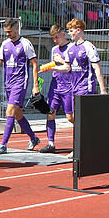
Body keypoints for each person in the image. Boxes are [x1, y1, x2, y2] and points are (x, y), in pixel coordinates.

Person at [0, 18, 41, 154]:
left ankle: (3, 144)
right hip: (8, 83)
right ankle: (34, 138)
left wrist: (35, 85)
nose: (8, 34)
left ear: (16, 28)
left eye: (9, 31)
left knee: (9, 111)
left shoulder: (25, 44)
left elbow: (34, 64)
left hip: (20, 83)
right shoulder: (5, 44)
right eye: (6, 32)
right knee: (17, 114)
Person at [40, 23, 73, 154]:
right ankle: (51, 143)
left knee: (70, 117)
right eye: (53, 38)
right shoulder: (54, 49)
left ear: (63, 34)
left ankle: (82, 140)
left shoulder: (71, 48)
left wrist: (61, 61)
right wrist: (46, 67)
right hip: (55, 86)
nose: (55, 40)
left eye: (57, 37)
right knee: (50, 113)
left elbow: (69, 67)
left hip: (68, 86)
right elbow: (54, 64)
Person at [63, 18, 107, 111]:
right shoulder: (70, 48)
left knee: (81, 116)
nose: (69, 33)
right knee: (73, 117)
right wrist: (51, 68)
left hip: (86, 87)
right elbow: (67, 68)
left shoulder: (89, 47)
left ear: (78, 30)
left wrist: (103, 90)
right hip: (74, 87)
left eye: (71, 31)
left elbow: (97, 68)